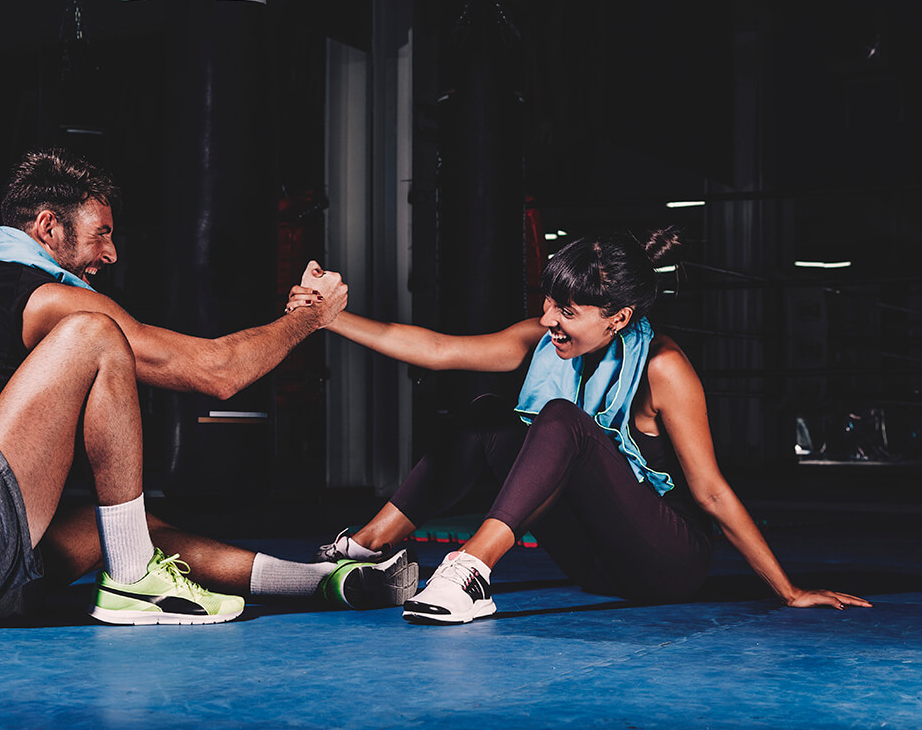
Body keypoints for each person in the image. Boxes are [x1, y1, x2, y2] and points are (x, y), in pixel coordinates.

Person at [0, 148, 416, 625]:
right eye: (101, 235)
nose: (111, 255)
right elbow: (216, 373)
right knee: (98, 337)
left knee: (125, 526)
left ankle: (326, 584)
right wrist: (308, 319)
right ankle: (132, 586)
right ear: (46, 227)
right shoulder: (40, 297)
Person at [290, 226, 871, 624]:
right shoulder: (543, 337)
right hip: (596, 563)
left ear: (618, 317)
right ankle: (371, 549)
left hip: (667, 564)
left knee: (561, 418)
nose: (548, 321)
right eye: (548, 303)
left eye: (566, 312)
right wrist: (325, 319)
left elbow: (711, 491)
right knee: (486, 418)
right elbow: (439, 349)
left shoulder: (664, 367)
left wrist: (789, 591)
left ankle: (468, 570)